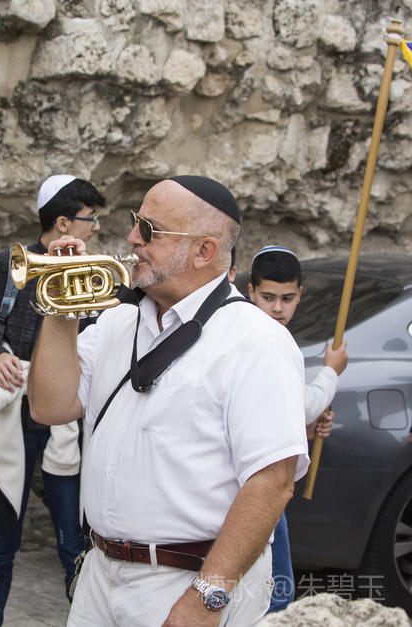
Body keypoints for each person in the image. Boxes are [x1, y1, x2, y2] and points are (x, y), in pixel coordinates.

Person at [28, 175, 310, 626]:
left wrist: (207, 597)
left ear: (204, 251)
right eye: (135, 222)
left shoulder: (257, 341)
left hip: (188, 582)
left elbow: (272, 483)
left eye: (149, 229)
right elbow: (49, 407)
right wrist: (61, 308)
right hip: (100, 575)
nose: (132, 238)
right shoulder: (118, 322)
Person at [0, 174, 106, 626]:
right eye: (90, 218)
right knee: (1, 540)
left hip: (63, 420)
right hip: (11, 417)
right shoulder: (11, 264)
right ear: (63, 223)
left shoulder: (89, 270)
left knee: (72, 543)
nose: (96, 227)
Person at [248, 244, 348, 613]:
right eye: (269, 297)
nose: (278, 308)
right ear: (251, 291)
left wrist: (302, 431)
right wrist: (331, 372)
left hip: (261, 474)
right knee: (277, 593)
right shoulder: (263, 339)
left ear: (300, 294)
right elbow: (304, 406)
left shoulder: (263, 334)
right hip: (258, 482)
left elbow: (278, 411)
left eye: (287, 298)